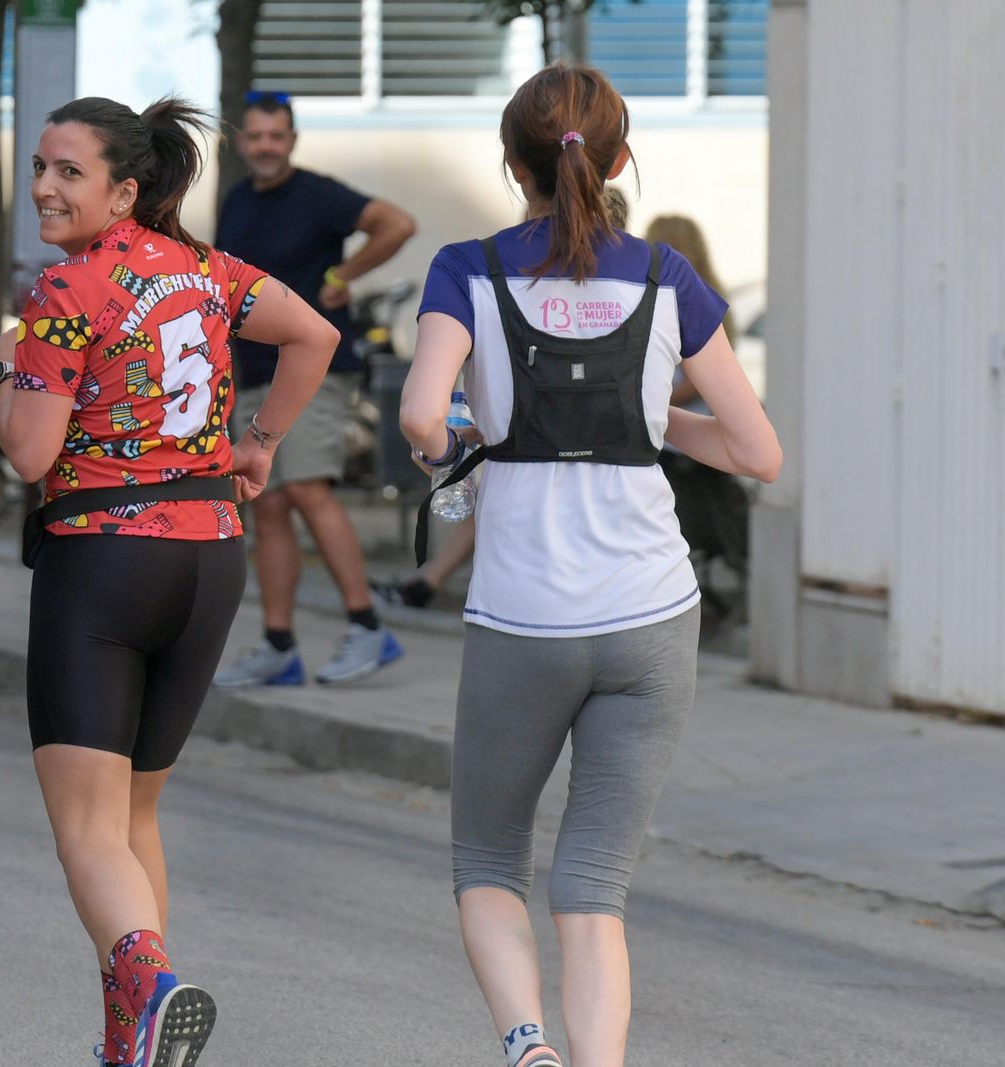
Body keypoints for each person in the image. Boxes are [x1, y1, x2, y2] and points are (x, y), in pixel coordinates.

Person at [399, 63, 780, 1067]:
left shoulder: (465, 270)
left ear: (509, 163)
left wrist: (453, 443)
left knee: (486, 859)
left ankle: (529, 1048)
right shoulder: (668, 278)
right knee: (593, 883)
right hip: (650, 613)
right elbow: (758, 452)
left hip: (524, 615)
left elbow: (418, 414)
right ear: (617, 160)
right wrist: (652, 421)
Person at [0, 95, 336, 1067]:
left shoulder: (68, 287)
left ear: (124, 189)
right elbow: (314, 335)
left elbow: (28, 450)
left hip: (103, 558)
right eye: (42, 167)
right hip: (208, 555)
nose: (47, 187)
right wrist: (257, 442)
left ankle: (153, 984)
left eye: (69, 172)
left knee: (86, 828)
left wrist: (11, 370)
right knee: (134, 815)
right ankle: (126, 1041)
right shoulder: (206, 269)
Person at [212, 91, 418, 687]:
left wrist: (343, 276)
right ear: (243, 143)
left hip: (312, 371)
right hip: (252, 374)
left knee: (306, 489)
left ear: (293, 140)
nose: (266, 146)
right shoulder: (236, 201)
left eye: (276, 136)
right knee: (267, 504)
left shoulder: (318, 194)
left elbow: (397, 224)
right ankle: (279, 645)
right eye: (255, 137)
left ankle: (368, 627)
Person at [372, 185, 632, 612]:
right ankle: (427, 581)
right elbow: (759, 456)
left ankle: (427, 581)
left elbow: (422, 419)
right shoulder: (646, 291)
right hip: (630, 572)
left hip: (523, 564)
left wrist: (447, 451)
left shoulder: (493, 285)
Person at [644, 213, 751, 623]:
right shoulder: (713, 298)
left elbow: (693, 381)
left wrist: (643, 397)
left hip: (678, 439)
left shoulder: (675, 295)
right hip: (702, 437)